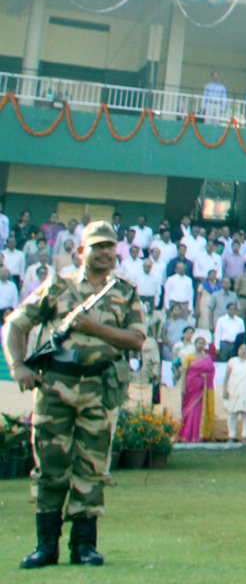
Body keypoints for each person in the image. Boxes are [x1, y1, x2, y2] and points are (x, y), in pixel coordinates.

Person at [2, 221, 148, 568]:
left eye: (110, 246)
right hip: (55, 386)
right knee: (50, 466)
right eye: (97, 246)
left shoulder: (125, 293)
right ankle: (45, 546)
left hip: (99, 388)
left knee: (92, 467)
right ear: (80, 251)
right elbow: (14, 325)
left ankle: (84, 546)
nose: (105, 252)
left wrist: (93, 328)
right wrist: (18, 367)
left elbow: (136, 340)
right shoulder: (56, 287)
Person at [221, 343, 246, 443]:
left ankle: (244, 436)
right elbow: (226, 377)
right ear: (238, 351)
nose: (243, 351)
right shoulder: (232, 361)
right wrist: (225, 390)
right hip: (234, 390)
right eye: (241, 349)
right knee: (232, 414)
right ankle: (231, 436)